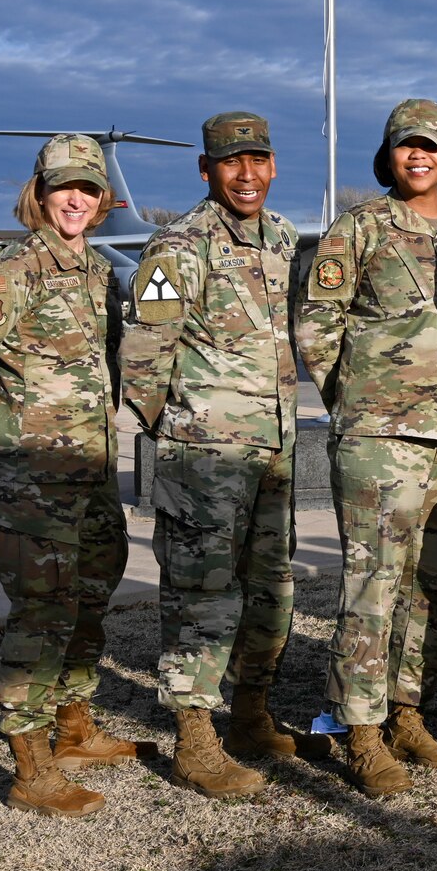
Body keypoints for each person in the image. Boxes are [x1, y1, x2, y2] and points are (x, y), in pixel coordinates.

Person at [0, 134, 152, 816]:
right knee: (40, 613)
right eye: (65, 187)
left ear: (102, 198)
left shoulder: (93, 268)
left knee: (93, 589)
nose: (76, 199)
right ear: (41, 191)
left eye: (88, 189)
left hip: (90, 471)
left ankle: (73, 727)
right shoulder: (15, 267)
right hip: (36, 480)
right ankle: (30, 768)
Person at [119, 111, 326, 801]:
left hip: (271, 452)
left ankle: (250, 716)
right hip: (203, 458)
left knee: (273, 591)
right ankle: (195, 741)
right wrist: (179, 435)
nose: (247, 174)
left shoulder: (281, 238)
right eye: (231, 162)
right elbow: (144, 356)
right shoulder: (176, 246)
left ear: (272, 165)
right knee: (203, 596)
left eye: (258, 159)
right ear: (207, 170)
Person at [295, 98, 437, 799]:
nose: (418, 156)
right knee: (375, 582)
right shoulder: (361, 227)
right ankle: (362, 729)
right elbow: (317, 321)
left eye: (430, 145)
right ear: (390, 155)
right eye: (406, 146)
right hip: (380, 434)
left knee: (435, 581)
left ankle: (408, 709)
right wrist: (352, 398)